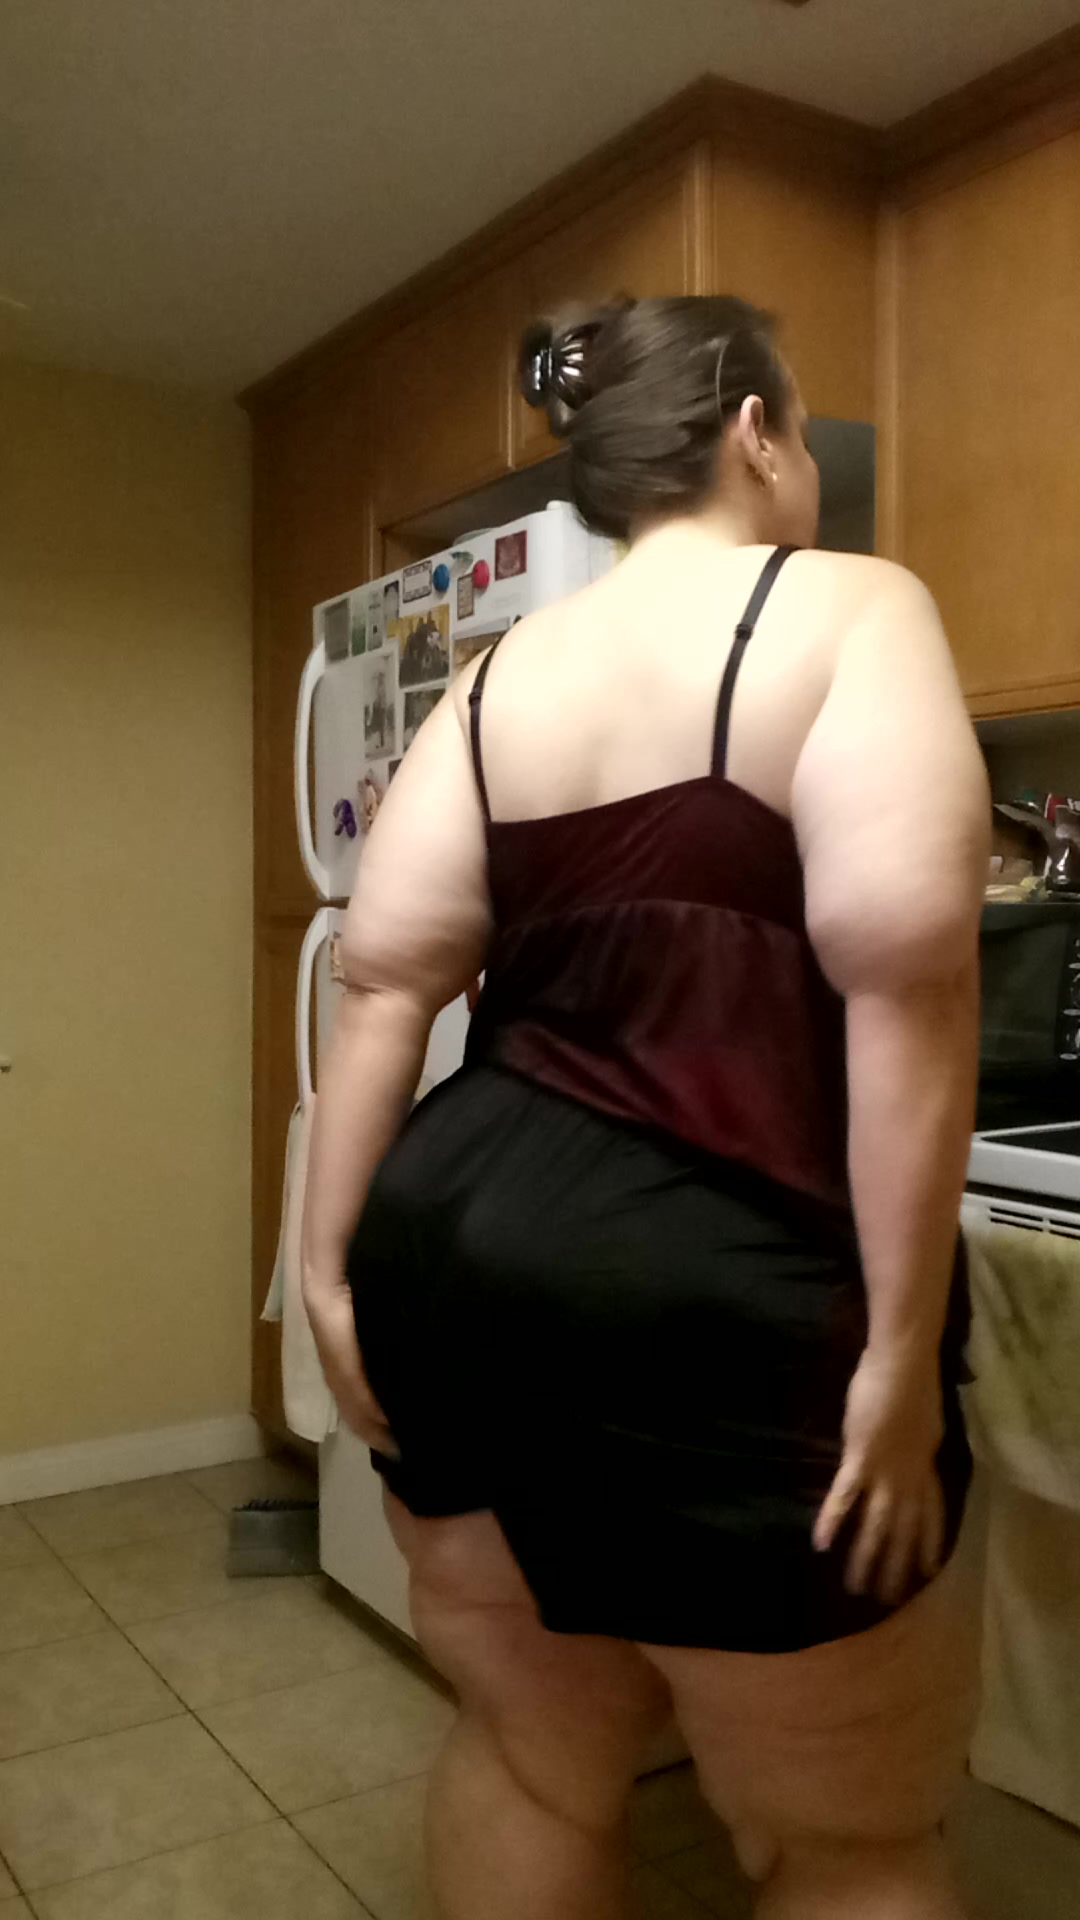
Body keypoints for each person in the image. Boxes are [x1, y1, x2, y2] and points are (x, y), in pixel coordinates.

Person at [301, 295, 989, 1920]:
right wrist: (898, 1358)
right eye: (801, 430)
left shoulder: (494, 681)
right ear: (756, 432)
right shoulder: (853, 606)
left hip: (454, 1253)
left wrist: (326, 1270)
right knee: (847, 1837)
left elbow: (380, 977)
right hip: (723, 1282)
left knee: (533, 1750)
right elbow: (905, 968)